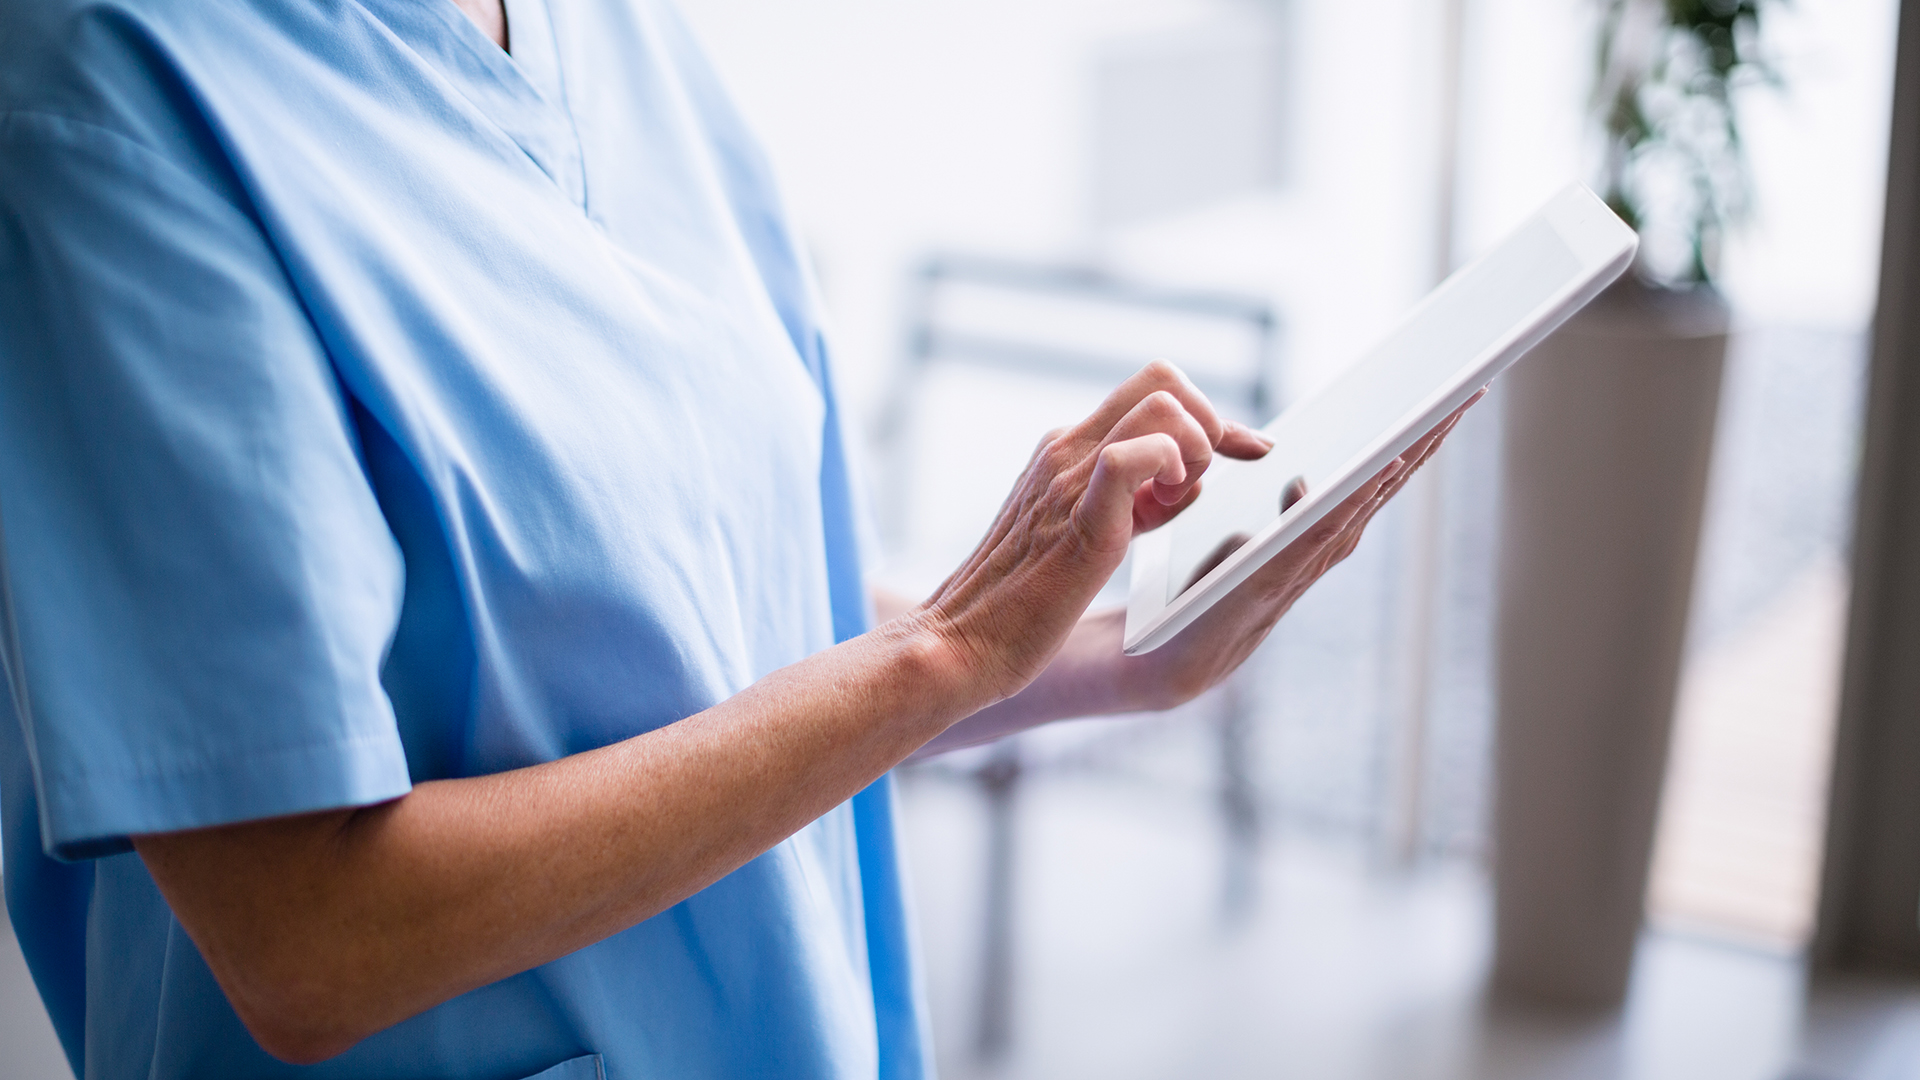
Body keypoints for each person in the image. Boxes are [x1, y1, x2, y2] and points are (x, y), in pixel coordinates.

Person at [0, 0, 1466, 1076]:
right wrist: (943, 658)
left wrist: (1104, 657)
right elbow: (311, 938)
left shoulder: (617, 40)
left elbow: (731, 629)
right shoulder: (109, 96)